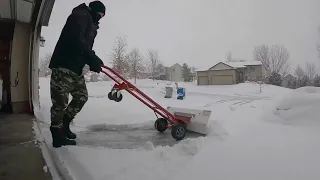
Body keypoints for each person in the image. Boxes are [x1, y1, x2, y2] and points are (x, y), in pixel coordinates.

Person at [48, 1, 106, 148]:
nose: (100, 18)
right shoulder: (80, 15)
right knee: (60, 102)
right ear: (93, 10)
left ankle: (64, 125)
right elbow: (76, 39)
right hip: (63, 65)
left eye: (102, 17)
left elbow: (85, 46)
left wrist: (93, 59)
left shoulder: (92, 25)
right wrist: (91, 57)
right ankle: (57, 134)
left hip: (76, 68)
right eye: (100, 15)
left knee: (81, 96)